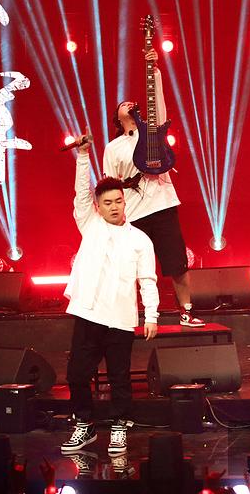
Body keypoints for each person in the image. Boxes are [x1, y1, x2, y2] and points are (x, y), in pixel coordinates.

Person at [62, 132, 159, 457]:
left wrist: (151, 315)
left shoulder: (140, 240)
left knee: (119, 378)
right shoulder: (89, 224)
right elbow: (80, 193)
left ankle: (119, 427)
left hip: (120, 319)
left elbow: (148, 280)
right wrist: (83, 157)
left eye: (118, 201)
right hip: (88, 314)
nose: (115, 206)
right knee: (77, 374)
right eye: (108, 203)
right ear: (98, 207)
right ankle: (84, 424)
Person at [104, 48, 204, 327]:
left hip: (163, 205)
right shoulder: (113, 147)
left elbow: (158, 105)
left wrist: (154, 70)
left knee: (177, 263)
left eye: (132, 103)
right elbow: (110, 184)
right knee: (133, 267)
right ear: (118, 118)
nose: (129, 104)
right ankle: (129, 315)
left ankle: (186, 311)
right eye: (123, 104)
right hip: (134, 214)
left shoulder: (152, 133)